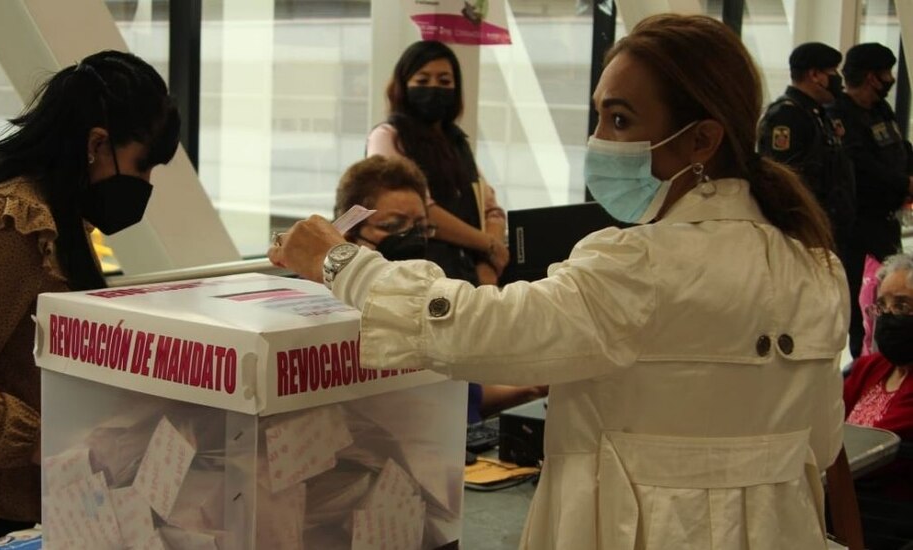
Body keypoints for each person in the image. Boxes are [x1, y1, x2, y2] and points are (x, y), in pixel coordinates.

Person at [271, 14, 847, 550]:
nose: (599, 139)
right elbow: (823, 443)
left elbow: (480, 328)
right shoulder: (816, 266)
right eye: (598, 116)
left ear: (701, 140)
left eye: (620, 120)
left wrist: (340, 262)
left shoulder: (640, 266)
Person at [0, 50, 181, 550]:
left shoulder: (58, 214)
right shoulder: (9, 226)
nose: (145, 184)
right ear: (96, 144)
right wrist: (45, 439)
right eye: (142, 164)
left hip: (24, 500)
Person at [335, 155, 547, 419]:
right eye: (393, 226)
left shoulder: (425, 305)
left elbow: (464, 399)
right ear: (348, 238)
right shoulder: (330, 320)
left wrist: (533, 388)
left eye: (421, 227)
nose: (412, 237)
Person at [365, 40, 508, 287]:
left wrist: (489, 262)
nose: (434, 88)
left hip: (469, 277)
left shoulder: (457, 142)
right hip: (416, 279)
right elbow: (422, 212)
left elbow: (490, 208)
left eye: (444, 81)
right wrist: (489, 244)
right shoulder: (388, 137)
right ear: (403, 86)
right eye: (422, 81)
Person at [829, 42, 913, 357]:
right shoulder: (839, 114)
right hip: (857, 230)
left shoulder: (880, 111)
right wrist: (901, 182)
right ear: (870, 77)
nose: (892, 78)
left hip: (888, 226)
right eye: (886, 72)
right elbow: (859, 167)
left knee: (891, 295)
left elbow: (900, 149)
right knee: (862, 306)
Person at [758, 42, 856, 265]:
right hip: (804, 233)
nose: (838, 79)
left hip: (826, 229)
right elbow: (784, 179)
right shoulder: (787, 117)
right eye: (833, 72)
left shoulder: (818, 115)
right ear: (815, 75)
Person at [844, 252, 913, 499]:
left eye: (902, 305)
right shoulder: (871, 367)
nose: (888, 315)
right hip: (844, 493)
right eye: (882, 306)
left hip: (886, 514)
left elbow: (876, 446)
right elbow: (826, 415)